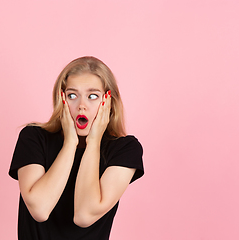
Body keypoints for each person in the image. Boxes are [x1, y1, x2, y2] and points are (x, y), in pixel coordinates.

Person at [9, 56, 144, 240]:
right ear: (61, 99)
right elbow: (39, 209)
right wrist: (70, 143)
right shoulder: (33, 137)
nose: (81, 106)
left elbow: (84, 215)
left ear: (108, 102)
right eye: (72, 95)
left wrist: (94, 141)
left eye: (92, 96)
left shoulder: (124, 150)